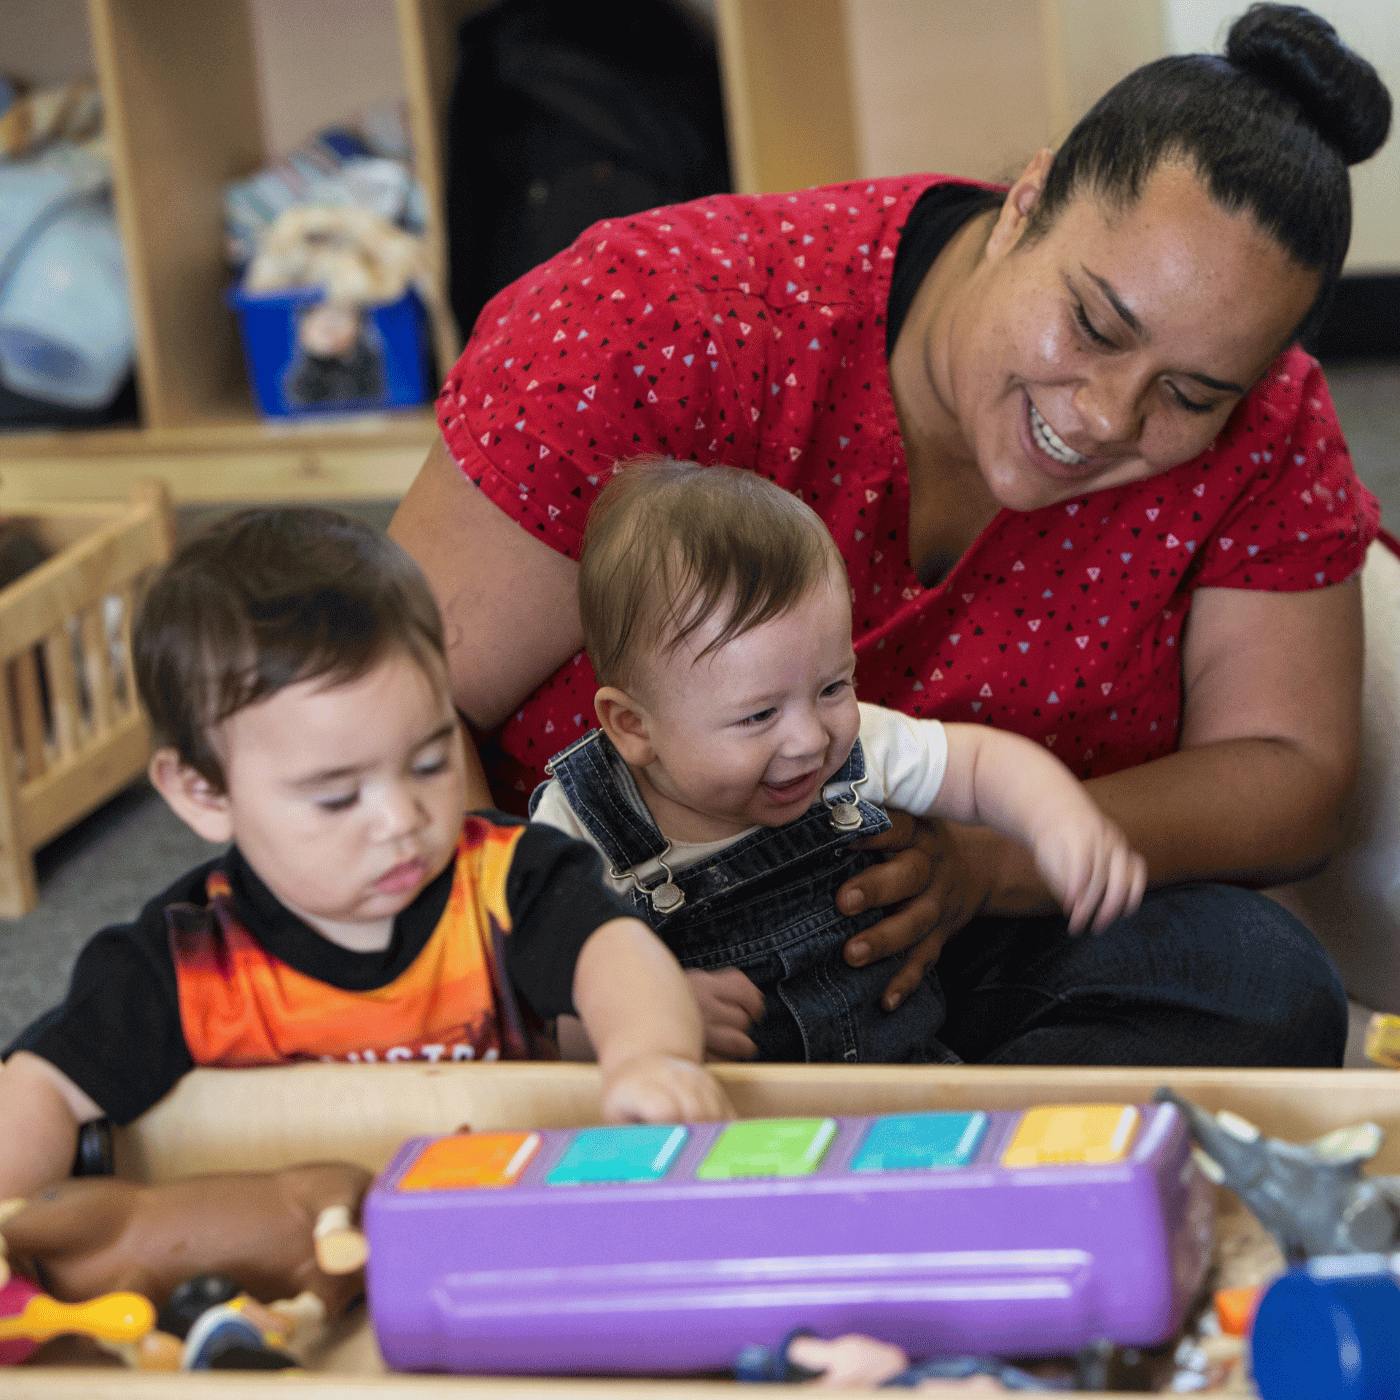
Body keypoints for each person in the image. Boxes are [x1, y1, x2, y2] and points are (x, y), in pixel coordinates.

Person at [388, 5, 1392, 1067]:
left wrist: (991, 860)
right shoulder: (661, 322)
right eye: (1094, 324)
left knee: (1257, 981)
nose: (1104, 415)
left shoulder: (1265, 423)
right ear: (1025, 204)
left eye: (1187, 393)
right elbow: (401, 702)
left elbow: (1285, 770)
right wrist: (555, 982)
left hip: (943, 952)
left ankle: (922, 1167)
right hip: (614, 968)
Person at [0, 508, 731, 1201]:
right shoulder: (191, 959)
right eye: (336, 797)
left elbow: (613, 953)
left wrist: (650, 1051)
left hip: (499, 1215)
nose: (400, 819)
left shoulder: (507, 878)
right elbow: (42, 1085)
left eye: (427, 761)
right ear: (203, 793)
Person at [532, 459, 1146, 1062]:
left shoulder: (853, 751)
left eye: (832, 688)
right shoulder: (580, 828)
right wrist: (645, 1015)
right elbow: (541, 1016)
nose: (809, 740)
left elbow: (982, 765)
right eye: (758, 716)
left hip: (902, 1094)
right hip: (715, 1133)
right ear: (634, 726)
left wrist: (1061, 823)